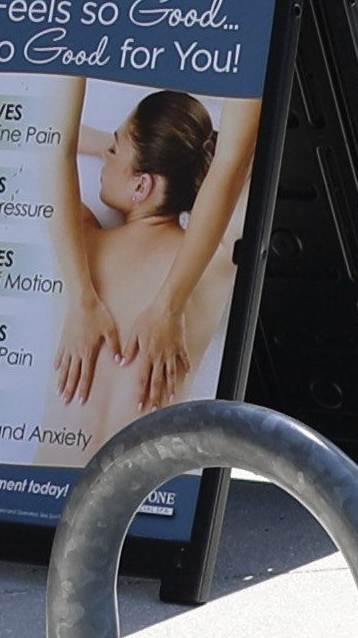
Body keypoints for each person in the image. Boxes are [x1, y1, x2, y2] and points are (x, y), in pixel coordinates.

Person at [42, 78, 257, 430]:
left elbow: (52, 142)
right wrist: (138, 157)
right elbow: (232, 162)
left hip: (47, 481)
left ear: (142, 185)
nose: (104, 159)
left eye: (112, 150)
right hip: (151, 483)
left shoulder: (81, 239)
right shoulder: (216, 260)